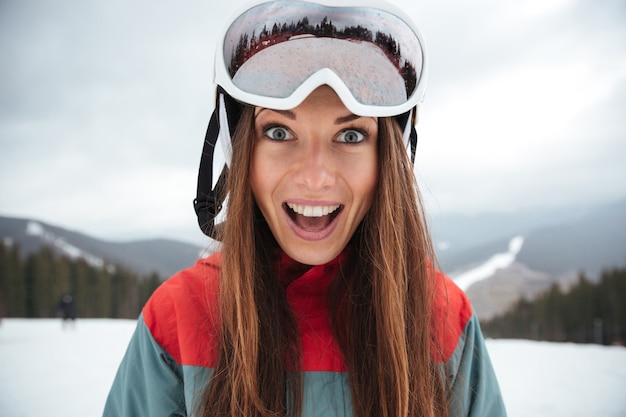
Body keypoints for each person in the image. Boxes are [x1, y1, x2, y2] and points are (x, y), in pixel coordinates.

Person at [103, 1, 507, 416]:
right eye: (279, 131)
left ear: (390, 156)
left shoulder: (441, 318)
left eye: (350, 136)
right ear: (239, 150)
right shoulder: (178, 318)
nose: (315, 178)